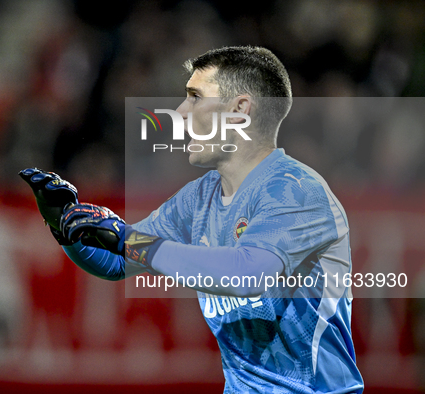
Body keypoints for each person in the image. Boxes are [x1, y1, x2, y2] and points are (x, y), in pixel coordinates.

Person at [20, 46, 364, 393]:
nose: (181, 112)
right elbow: (117, 261)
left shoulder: (298, 191)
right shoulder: (198, 199)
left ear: (239, 111)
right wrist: (63, 223)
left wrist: (128, 239)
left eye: (195, 98)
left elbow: (247, 274)